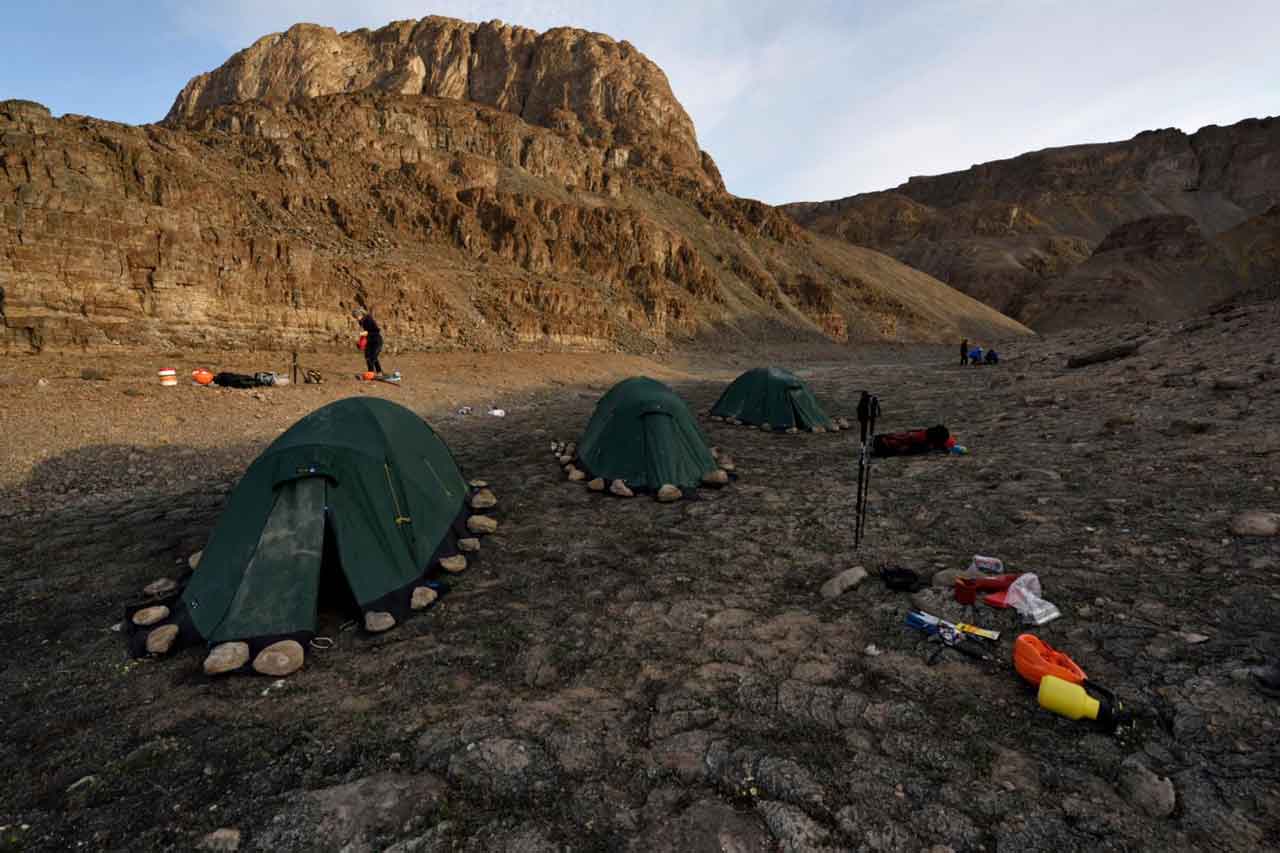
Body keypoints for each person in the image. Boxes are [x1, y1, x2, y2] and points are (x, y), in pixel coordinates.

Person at [353, 308, 384, 376]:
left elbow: (377, 331)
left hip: (376, 341)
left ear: (360, 315)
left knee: (373, 357)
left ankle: (376, 372)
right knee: (367, 357)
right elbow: (365, 333)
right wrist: (360, 342)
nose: (356, 319)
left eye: (356, 317)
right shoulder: (361, 321)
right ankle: (372, 372)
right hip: (369, 340)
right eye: (355, 317)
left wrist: (367, 333)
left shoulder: (369, 319)